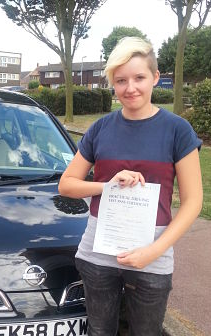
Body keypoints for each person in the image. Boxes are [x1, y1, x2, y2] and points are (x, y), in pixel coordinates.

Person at [58, 37, 203, 336]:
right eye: (121, 80)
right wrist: (106, 185)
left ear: (155, 78)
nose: (130, 88)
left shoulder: (177, 130)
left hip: (152, 255)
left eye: (139, 77)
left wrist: (154, 251)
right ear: (113, 83)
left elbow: (193, 202)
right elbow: (67, 185)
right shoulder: (100, 128)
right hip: (98, 253)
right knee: (99, 332)